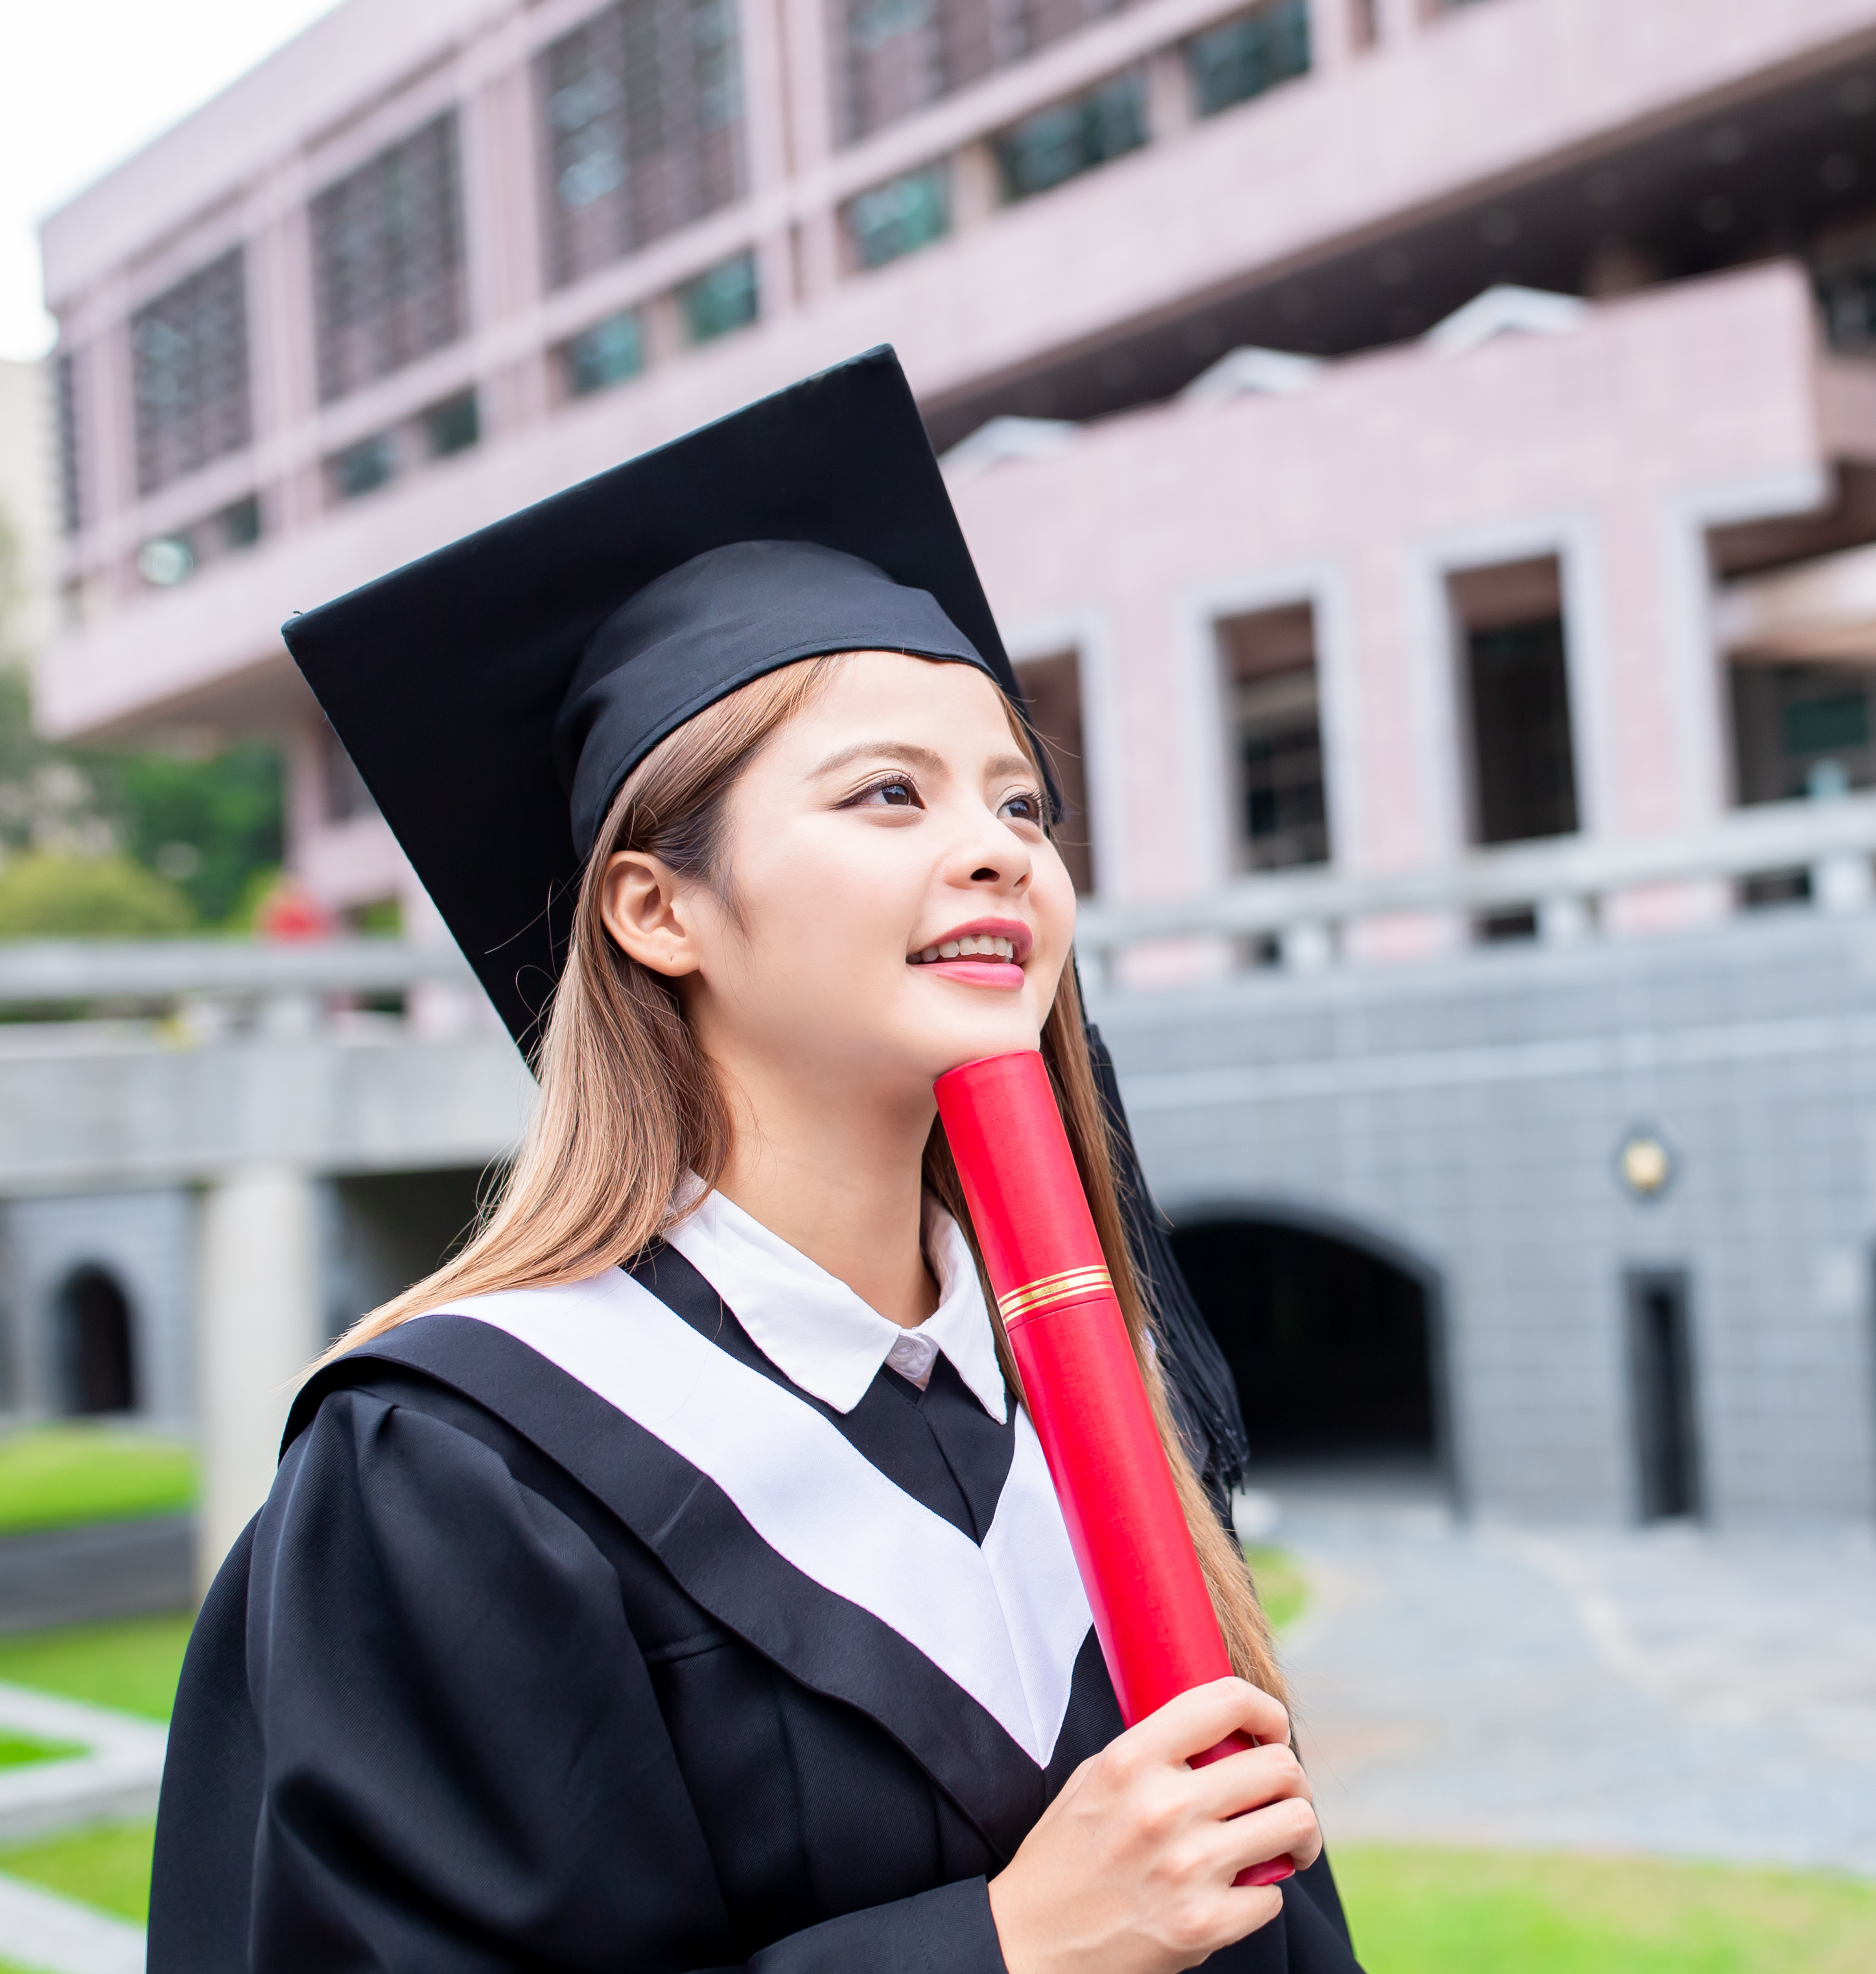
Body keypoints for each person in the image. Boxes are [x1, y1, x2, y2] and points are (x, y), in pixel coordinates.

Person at [149, 350, 1363, 1974]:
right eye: (887, 793)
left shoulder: (1095, 1394)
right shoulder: (456, 1476)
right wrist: (1002, 1948)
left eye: (1022, 798)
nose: (999, 840)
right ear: (659, 909)